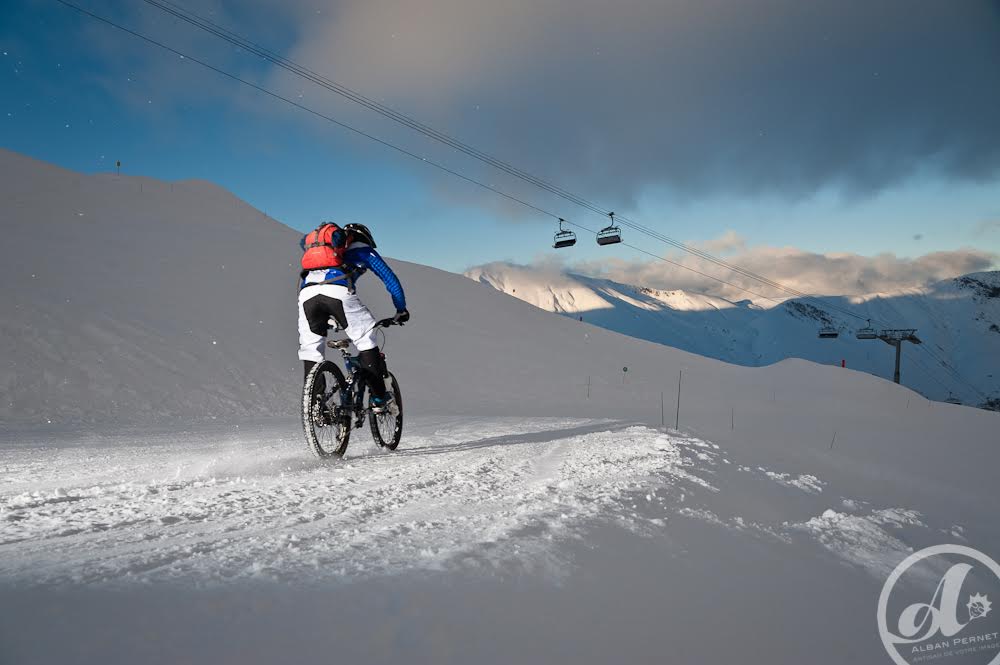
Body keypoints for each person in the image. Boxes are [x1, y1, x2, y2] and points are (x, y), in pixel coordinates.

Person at [297, 222, 408, 411]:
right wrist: (401, 309)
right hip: (338, 293)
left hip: (306, 296)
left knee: (311, 349)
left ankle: (316, 406)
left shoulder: (325, 255)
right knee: (366, 339)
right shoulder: (363, 251)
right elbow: (390, 279)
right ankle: (380, 400)